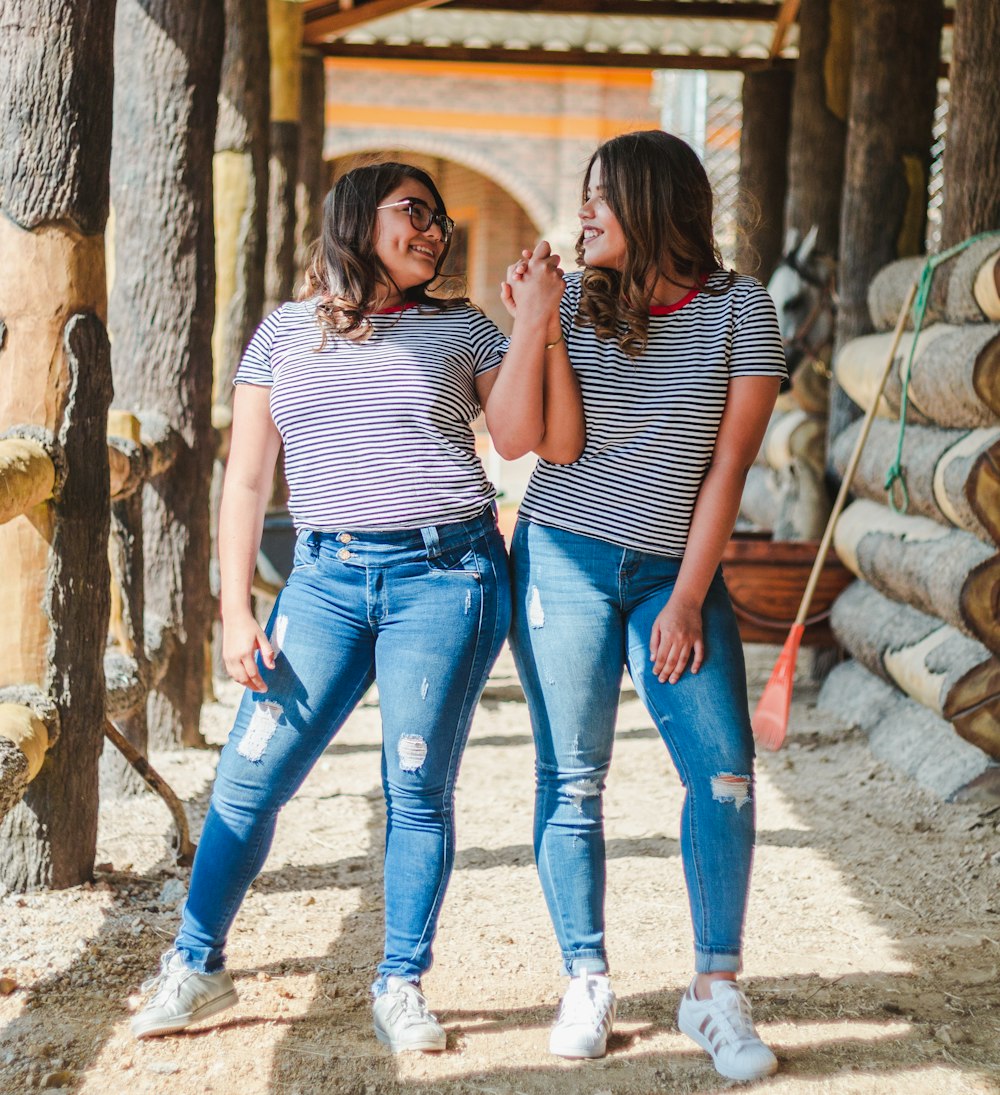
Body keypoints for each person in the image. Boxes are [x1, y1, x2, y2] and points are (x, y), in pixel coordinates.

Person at [130, 161, 583, 1052]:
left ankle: (401, 981)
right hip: (324, 582)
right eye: (414, 211)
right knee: (249, 776)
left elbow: (524, 441)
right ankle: (196, 962)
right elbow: (248, 480)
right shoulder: (281, 335)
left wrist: (537, 323)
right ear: (354, 217)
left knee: (416, 787)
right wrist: (233, 612)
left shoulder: (464, 331)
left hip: (445, 579)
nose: (435, 229)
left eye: (441, 218)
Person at [504, 130, 785, 1082]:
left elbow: (729, 463)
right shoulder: (579, 304)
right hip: (564, 552)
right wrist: (538, 324)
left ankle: (714, 987)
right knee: (573, 776)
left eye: (600, 198)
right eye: (583, 198)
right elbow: (558, 446)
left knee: (724, 774)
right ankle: (585, 974)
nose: (583, 215)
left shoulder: (743, 309)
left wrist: (689, 596)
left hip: (677, 570)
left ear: (654, 202)